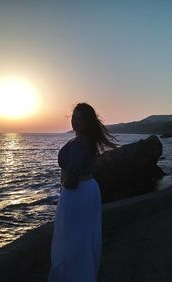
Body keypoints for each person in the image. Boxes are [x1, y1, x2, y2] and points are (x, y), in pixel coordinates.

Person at [48, 103, 117, 282]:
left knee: (71, 237)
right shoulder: (88, 139)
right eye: (73, 117)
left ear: (87, 121)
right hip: (90, 188)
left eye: (79, 118)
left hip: (77, 192)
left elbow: (72, 176)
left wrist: (66, 181)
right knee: (85, 237)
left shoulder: (79, 142)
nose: (75, 121)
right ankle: (84, 274)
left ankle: (73, 276)